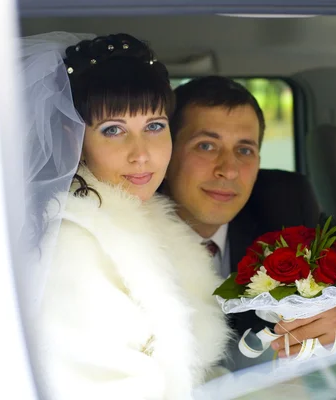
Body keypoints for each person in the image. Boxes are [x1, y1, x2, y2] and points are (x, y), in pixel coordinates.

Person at [162, 76, 336, 367]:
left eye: (244, 150)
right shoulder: (127, 231)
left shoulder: (282, 206)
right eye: (206, 146)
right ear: (166, 152)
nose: (229, 170)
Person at [20, 34, 230, 400]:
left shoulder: (151, 223)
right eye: (113, 130)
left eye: (154, 126)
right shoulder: (72, 245)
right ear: (74, 137)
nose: (142, 154)